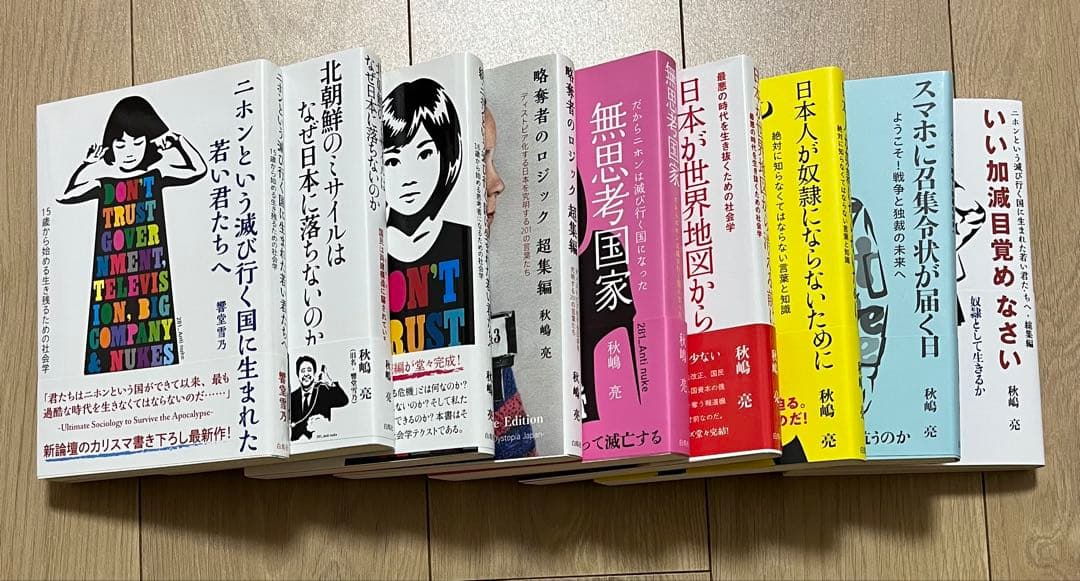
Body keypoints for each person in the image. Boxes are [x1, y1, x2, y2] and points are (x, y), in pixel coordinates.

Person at [60, 96, 206, 374]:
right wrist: (85, 164)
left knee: (155, 343)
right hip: (110, 280)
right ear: (110, 146)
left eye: (138, 143)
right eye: (121, 144)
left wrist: (178, 141)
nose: (129, 151)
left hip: (151, 275)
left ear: (149, 144)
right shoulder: (103, 182)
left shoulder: (156, 174)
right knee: (107, 349)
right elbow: (65, 195)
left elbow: (198, 170)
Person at [382, 78, 475, 350]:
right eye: (393, 161)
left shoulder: (464, 240)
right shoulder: (368, 254)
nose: (408, 177)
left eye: (423, 155)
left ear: (446, 156)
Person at [290, 355, 349, 441]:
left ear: (314, 373)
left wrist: (329, 382)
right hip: (298, 444)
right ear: (298, 375)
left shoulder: (323, 391)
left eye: (309, 370)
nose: (306, 374)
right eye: (302, 371)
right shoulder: (292, 397)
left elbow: (343, 400)